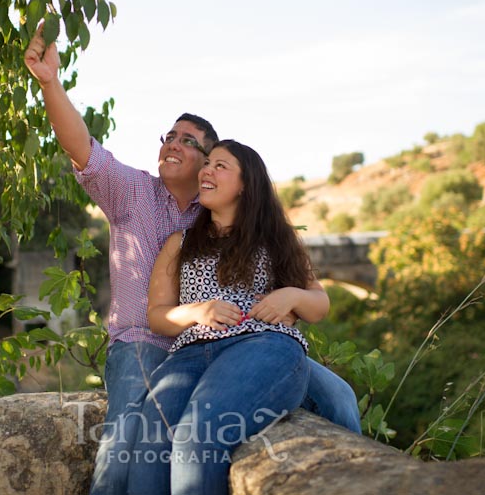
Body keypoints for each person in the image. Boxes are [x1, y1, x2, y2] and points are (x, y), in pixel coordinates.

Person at [23, 27, 361, 495]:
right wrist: (49, 84)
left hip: (240, 341)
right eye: (169, 136)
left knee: (338, 396)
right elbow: (82, 149)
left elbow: (302, 289)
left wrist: (285, 297)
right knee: (127, 451)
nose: (173, 144)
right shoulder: (134, 192)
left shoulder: (225, 214)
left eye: (188, 140)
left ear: (210, 162)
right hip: (149, 342)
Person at [126, 139, 328, 495]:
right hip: (188, 357)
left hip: (259, 346)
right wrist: (196, 311)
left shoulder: (277, 239)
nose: (207, 170)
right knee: (149, 453)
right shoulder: (181, 241)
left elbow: (319, 305)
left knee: (198, 435)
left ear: (246, 184)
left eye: (221, 166)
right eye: (207, 164)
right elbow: (157, 317)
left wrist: (291, 296)